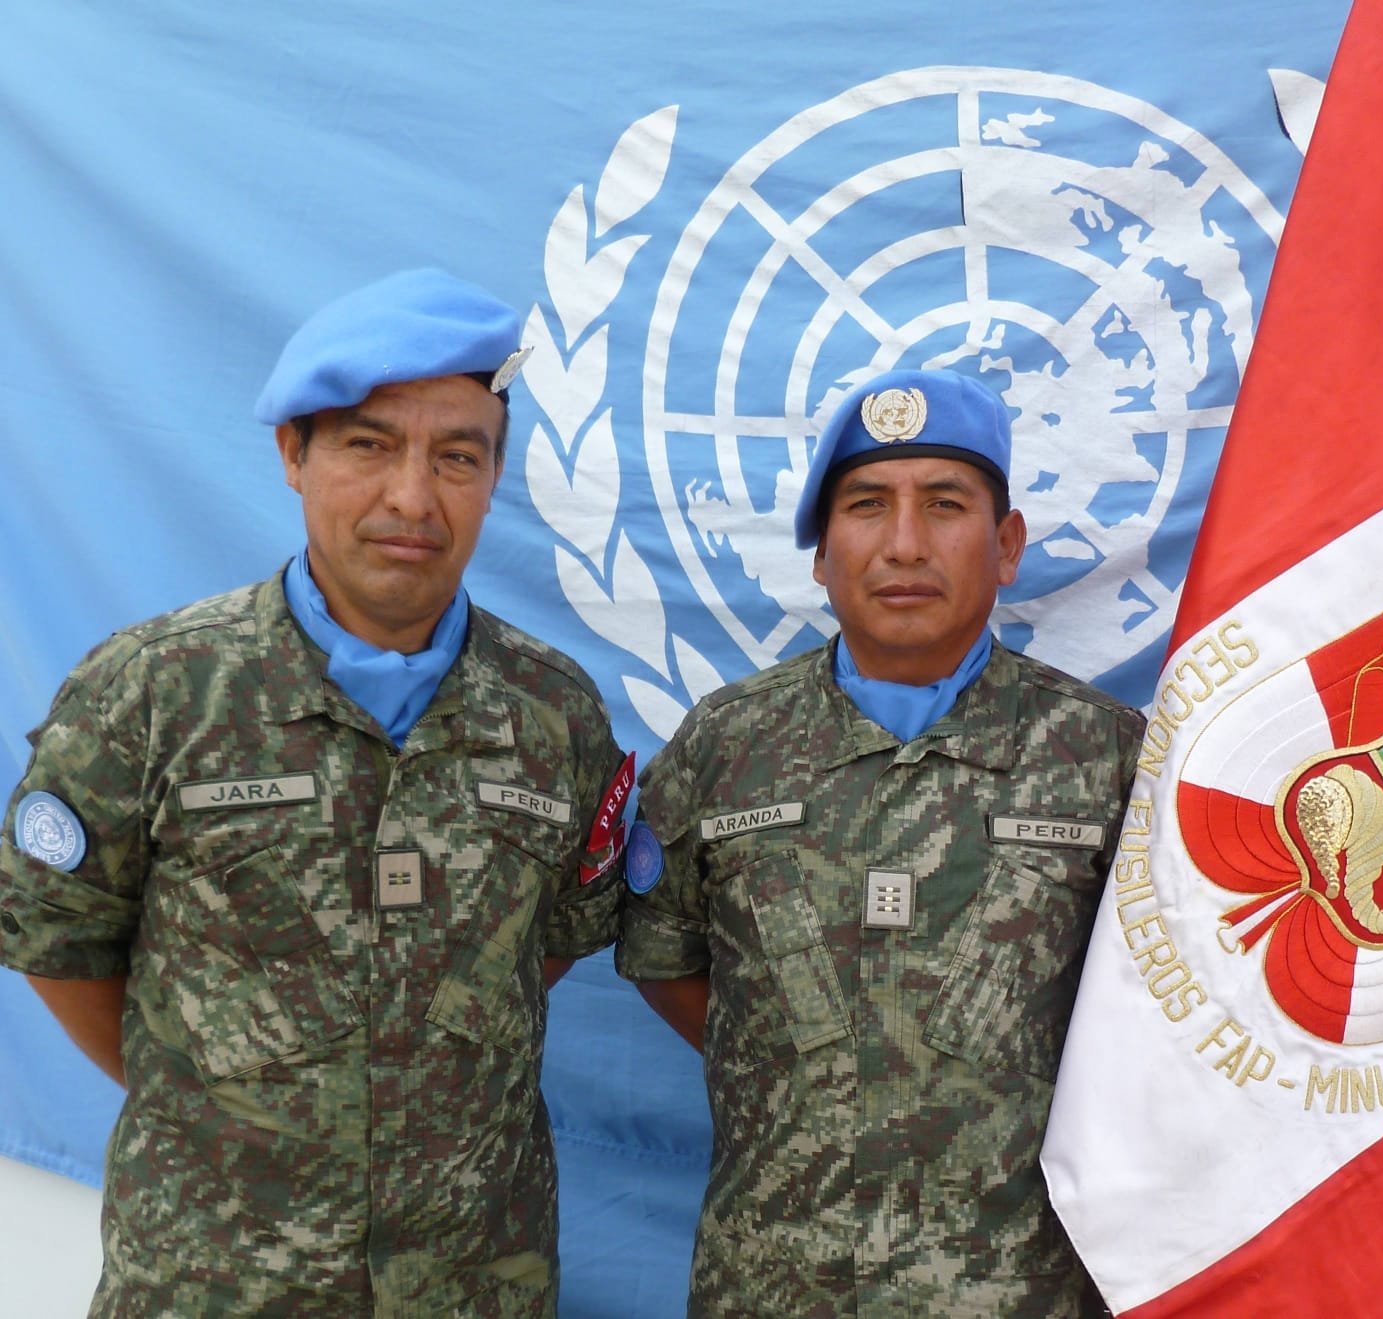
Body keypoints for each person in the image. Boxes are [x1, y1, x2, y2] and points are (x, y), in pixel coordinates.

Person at [0, 269, 633, 1315]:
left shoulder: (552, 715)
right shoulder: (151, 691)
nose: (411, 498)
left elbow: (546, 944)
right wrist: (233, 1102)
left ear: (491, 476)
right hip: (214, 1277)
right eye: (367, 444)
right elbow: (59, 942)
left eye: (457, 456)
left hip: (469, 1283)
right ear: (293, 453)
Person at [618, 367, 1145, 1315]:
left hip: (1027, 1292)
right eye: (866, 505)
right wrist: (813, 1064)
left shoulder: (1109, 760)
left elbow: (1157, 1024)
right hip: (774, 1287)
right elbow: (670, 963)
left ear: (1008, 544)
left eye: (946, 504)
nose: (905, 544)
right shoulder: (723, 748)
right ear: (822, 552)